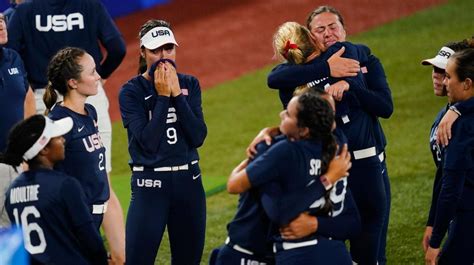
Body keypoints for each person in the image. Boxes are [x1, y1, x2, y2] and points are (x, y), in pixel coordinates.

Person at [266, 8, 392, 263]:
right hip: (329, 167)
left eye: (333, 26)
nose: (328, 33)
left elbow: (385, 108)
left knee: (372, 237)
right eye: (320, 29)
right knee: (345, 232)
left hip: (369, 160)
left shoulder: (360, 56)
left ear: (344, 29)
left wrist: (351, 87)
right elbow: (274, 77)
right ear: (310, 38)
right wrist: (327, 70)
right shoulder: (296, 74)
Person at [6, 1, 127, 261]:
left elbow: (9, 57)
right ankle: (119, 257)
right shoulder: (88, 4)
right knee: (99, 177)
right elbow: (117, 47)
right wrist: (100, 77)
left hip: (41, 99)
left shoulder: (26, 11)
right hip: (87, 96)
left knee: (50, 180)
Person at [227, 91, 358, 265]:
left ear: (304, 129)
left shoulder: (283, 152)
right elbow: (353, 223)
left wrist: (258, 153)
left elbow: (235, 187)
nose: (281, 114)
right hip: (334, 252)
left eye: (288, 113)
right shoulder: (337, 155)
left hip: (292, 255)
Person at [119, 19, 207, 264]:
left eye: (168, 48)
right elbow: (148, 142)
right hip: (150, 185)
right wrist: (162, 97)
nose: (163, 56)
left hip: (189, 182)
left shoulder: (189, 84)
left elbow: (198, 136)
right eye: (155, 50)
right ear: (143, 52)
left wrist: (177, 95)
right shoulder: (131, 92)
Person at [1, 114, 108, 264]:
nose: (63, 140)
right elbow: (90, 239)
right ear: (44, 149)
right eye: (57, 138)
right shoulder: (65, 185)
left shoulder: (12, 191)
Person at [420, 40, 473, 254]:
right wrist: (433, 222)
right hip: (458, 210)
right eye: (435, 69)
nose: (437, 76)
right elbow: (442, 172)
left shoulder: (459, 121)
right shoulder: (445, 115)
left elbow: (451, 184)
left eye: (444, 72)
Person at [0, 12, 35, 227]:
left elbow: (28, 98)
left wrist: (29, 148)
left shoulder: (12, 57)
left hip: (18, 160)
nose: (1, 26)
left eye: (1, 20)